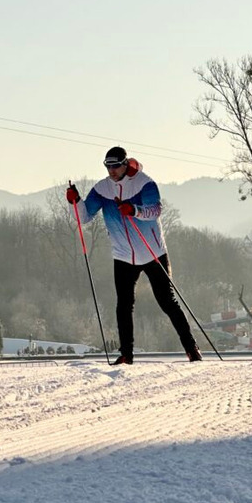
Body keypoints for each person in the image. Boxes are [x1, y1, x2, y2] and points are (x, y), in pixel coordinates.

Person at [66, 146, 203, 365]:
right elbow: (84, 217)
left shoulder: (144, 183)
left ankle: (191, 348)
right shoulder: (102, 189)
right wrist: (76, 201)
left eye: (115, 166)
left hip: (153, 252)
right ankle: (126, 355)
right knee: (124, 305)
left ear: (125, 163)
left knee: (167, 301)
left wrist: (134, 210)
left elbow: (155, 210)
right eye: (107, 166)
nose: (111, 171)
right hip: (122, 255)